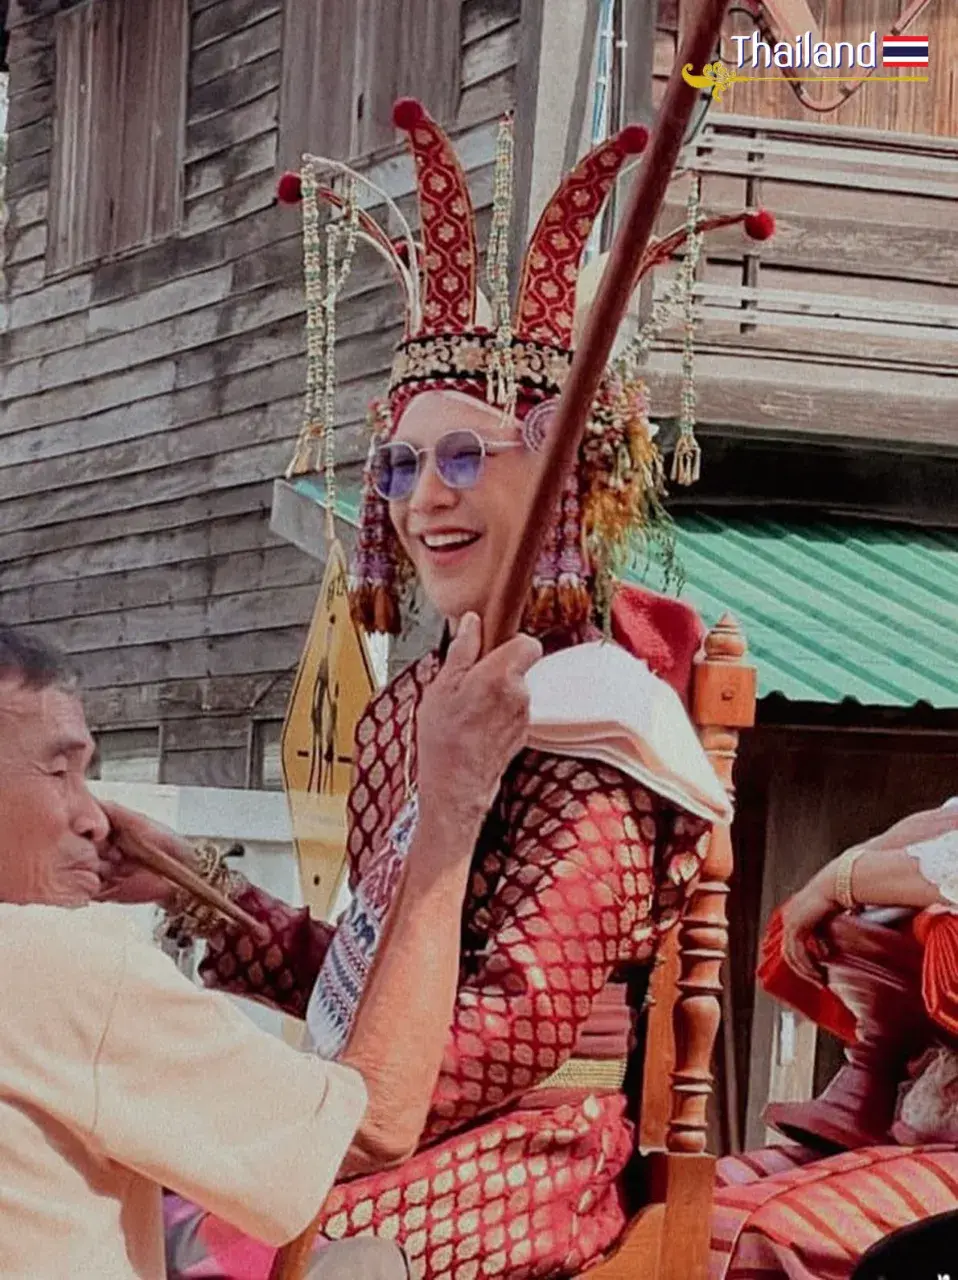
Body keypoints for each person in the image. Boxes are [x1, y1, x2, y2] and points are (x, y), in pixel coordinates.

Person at [100, 100, 773, 1280]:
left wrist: (303, 1125)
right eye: (403, 465)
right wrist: (198, 892)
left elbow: (516, 1017)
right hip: (380, 1115)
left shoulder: (597, 710)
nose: (425, 500)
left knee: (257, 1258)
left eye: (467, 456)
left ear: (566, 475)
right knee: (120, 1210)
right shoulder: (410, 702)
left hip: (522, 1146)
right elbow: (378, 971)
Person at [0, 618, 538, 1280]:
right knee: (365, 1262)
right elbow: (375, 1125)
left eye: (88, 775)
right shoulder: (58, 962)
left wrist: (200, 889)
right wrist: (454, 808)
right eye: (60, 772)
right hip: (437, 1115)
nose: (95, 817)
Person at [709, 802, 958, 1280]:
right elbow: (923, 836)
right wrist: (830, 882)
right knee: (704, 1201)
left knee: (763, 1234)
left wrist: (832, 884)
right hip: (922, 1126)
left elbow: (943, 868)